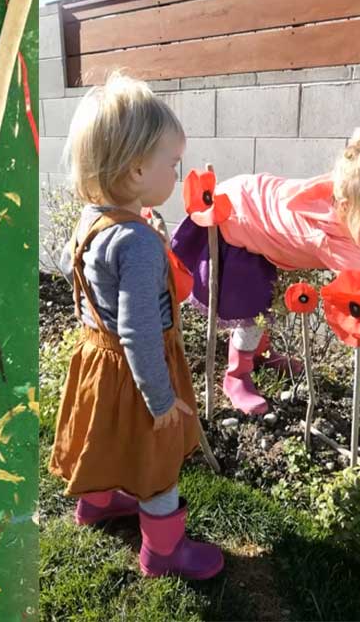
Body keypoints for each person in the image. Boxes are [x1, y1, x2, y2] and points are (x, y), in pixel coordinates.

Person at [48, 72, 223, 580]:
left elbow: (73, 265)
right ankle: (163, 552)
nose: (177, 173)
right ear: (136, 169)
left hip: (96, 360)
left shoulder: (91, 220)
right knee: (155, 455)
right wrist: (162, 399)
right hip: (139, 368)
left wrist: (145, 230)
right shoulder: (139, 244)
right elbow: (140, 331)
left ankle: (98, 503)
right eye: (173, 164)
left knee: (104, 435)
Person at [171, 121, 360, 415]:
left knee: (269, 302)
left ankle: (261, 353)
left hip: (253, 202)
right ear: (350, 204)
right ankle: (236, 376)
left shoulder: (344, 188)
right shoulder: (335, 243)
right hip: (236, 222)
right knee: (252, 311)